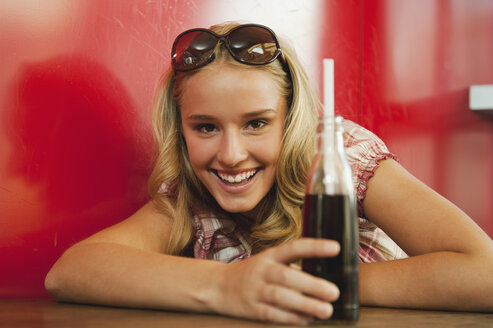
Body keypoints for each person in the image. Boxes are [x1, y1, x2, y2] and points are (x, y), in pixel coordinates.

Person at [45, 22, 493, 325]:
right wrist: (228, 286)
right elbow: (70, 273)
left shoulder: (340, 156)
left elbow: (484, 272)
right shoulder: (189, 196)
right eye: (205, 128)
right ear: (181, 131)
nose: (232, 154)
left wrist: (314, 282)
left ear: (292, 119)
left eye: (257, 123)